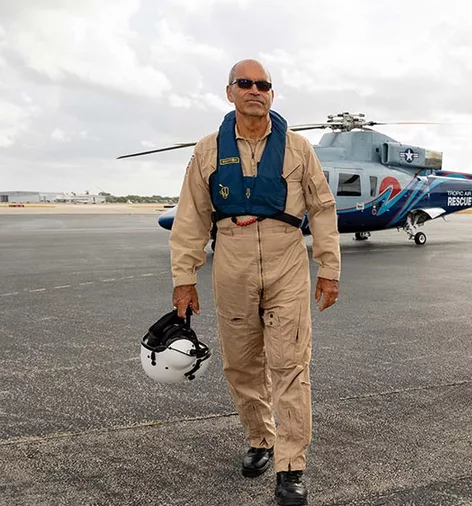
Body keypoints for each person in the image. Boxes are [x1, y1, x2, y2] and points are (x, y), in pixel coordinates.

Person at [169, 58, 341, 506]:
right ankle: (261, 438)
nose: (255, 90)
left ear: (271, 94)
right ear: (230, 92)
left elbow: (321, 210)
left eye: (263, 85)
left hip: (286, 259)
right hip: (231, 259)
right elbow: (190, 219)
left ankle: (291, 467)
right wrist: (184, 278)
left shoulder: (299, 149)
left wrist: (329, 267)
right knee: (242, 365)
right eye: (245, 83)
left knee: (290, 364)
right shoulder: (208, 151)